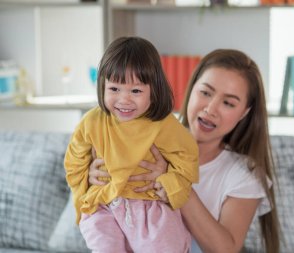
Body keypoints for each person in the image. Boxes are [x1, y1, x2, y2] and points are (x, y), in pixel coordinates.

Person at [89, 49, 280, 253]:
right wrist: (92, 179)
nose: (211, 109)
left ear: (244, 112)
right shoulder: (143, 139)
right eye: (205, 93)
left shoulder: (245, 174)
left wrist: (176, 184)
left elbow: (226, 249)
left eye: (228, 103)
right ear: (191, 88)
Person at [64, 36, 199, 253]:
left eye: (136, 91)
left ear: (153, 90)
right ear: (102, 86)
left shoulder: (163, 124)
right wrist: (84, 195)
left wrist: (170, 187)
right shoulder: (92, 122)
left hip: (150, 209)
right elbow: (74, 162)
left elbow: (187, 158)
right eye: (114, 89)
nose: (124, 100)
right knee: (105, 247)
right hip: (103, 205)